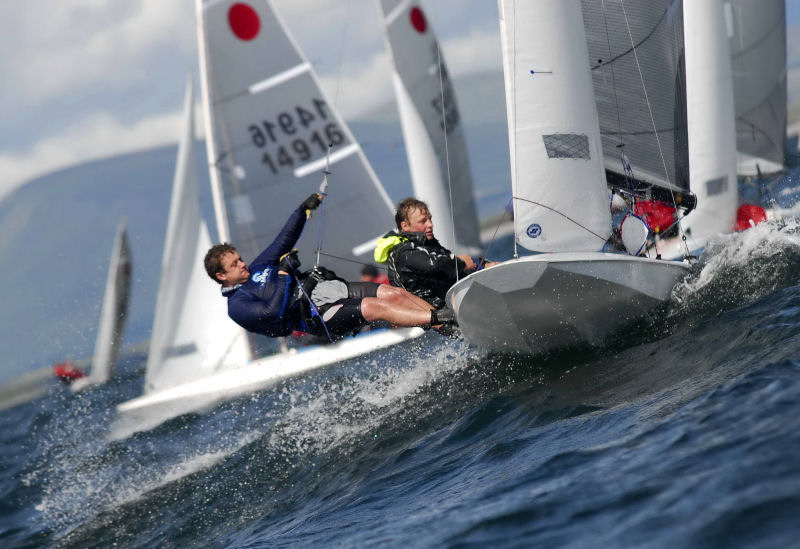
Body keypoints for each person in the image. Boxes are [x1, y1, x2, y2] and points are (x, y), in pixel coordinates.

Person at [204, 193, 454, 342]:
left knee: (393, 294)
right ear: (222, 275)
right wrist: (283, 274)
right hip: (316, 316)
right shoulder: (237, 306)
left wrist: (302, 210)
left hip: (326, 289)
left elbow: (284, 239)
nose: (242, 263)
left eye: (239, 258)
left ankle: (449, 324)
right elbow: (273, 313)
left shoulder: (259, 267)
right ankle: (440, 317)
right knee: (375, 307)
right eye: (234, 264)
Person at [374, 197, 496, 309]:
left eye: (430, 219)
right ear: (405, 226)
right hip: (433, 315)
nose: (430, 224)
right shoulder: (403, 252)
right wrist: (462, 263)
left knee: (490, 267)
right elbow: (435, 266)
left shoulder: (428, 244)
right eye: (423, 221)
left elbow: (448, 262)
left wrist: (483, 266)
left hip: (451, 302)